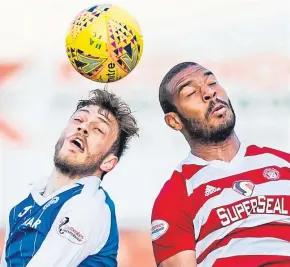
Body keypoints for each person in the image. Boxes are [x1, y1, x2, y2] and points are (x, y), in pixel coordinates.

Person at [151, 62, 290, 267]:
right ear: (174, 121)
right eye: (191, 93)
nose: (209, 92)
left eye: (212, 82)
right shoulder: (175, 196)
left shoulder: (283, 165)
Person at [1, 89, 139, 267]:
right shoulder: (22, 207)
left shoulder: (89, 205)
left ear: (108, 162)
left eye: (98, 129)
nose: (83, 127)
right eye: (78, 120)